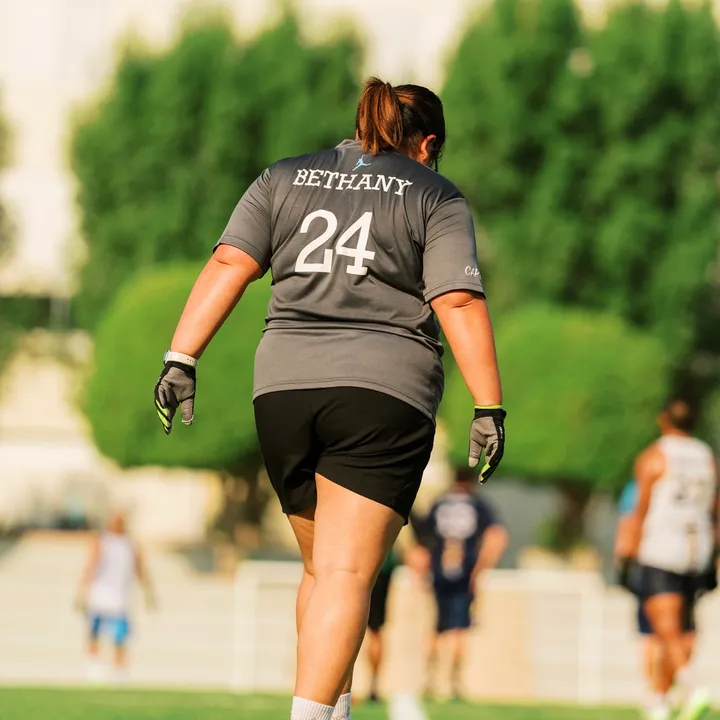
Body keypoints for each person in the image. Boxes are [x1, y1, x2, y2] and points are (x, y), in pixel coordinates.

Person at [153, 77, 506, 720]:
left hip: (282, 389)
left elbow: (230, 263)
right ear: (428, 144)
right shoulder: (435, 195)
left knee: (321, 571)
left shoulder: (284, 176)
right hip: (382, 392)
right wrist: (488, 406)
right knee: (347, 575)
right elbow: (456, 300)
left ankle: (327, 711)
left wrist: (181, 358)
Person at [627, 399, 719, 720]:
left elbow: (640, 509)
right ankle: (659, 700)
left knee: (665, 627)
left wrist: (629, 550)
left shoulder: (656, 455)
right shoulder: (707, 457)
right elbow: (714, 509)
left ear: (663, 420)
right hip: (698, 547)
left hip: (663, 546)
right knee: (685, 629)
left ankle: (693, 686)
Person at [421, 468, 508, 700]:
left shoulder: (440, 503)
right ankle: (454, 682)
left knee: (437, 626)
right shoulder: (477, 505)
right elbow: (497, 535)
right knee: (459, 628)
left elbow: (423, 537)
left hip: (439, 570)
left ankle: (430, 679)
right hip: (465, 571)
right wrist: (483, 565)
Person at [615, 479, 698, 720]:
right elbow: (629, 521)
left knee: (679, 636)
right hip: (656, 566)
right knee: (656, 636)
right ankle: (656, 696)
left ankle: (663, 694)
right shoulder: (642, 482)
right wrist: (625, 560)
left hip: (680, 566)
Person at [76, 510, 155, 682]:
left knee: (120, 638)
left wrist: (148, 592)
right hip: (99, 597)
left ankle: (119, 669)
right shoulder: (101, 542)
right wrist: (82, 592)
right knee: (94, 634)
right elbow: (91, 566)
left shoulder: (131, 545)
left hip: (120, 599)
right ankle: (93, 666)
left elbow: (139, 570)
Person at [365, 546, 400, 703]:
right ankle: (373, 685)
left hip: (363, 561)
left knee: (347, 628)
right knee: (375, 631)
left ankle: (344, 687)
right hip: (380, 562)